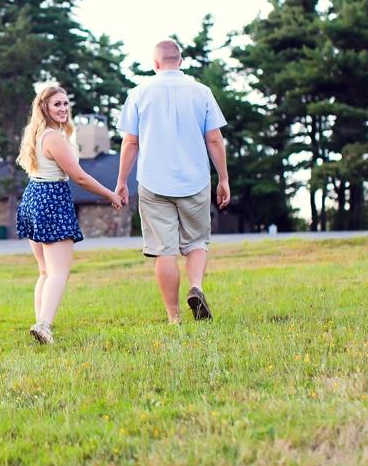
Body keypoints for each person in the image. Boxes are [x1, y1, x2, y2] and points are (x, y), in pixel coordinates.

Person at [115, 40, 230, 323]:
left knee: (163, 249)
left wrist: (121, 181)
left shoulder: (139, 93)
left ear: (155, 64)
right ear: (180, 61)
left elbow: (131, 142)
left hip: (154, 182)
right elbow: (214, 138)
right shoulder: (201, 92)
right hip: (195, 179)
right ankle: (197, 287)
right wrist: (224, 179)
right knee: (196, 241)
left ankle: (174, 317)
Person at [16, 85, 123, 344]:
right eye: (57, 104)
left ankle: (41, 323)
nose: (63, 108)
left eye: (65, 103)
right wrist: (110, 194)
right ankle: (43, 325)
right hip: (51, 201)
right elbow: (79, 177)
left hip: (34, 198)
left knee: (45, 271)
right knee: (58, 273)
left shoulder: (39, 135)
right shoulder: (53, 137)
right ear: (45, 108)